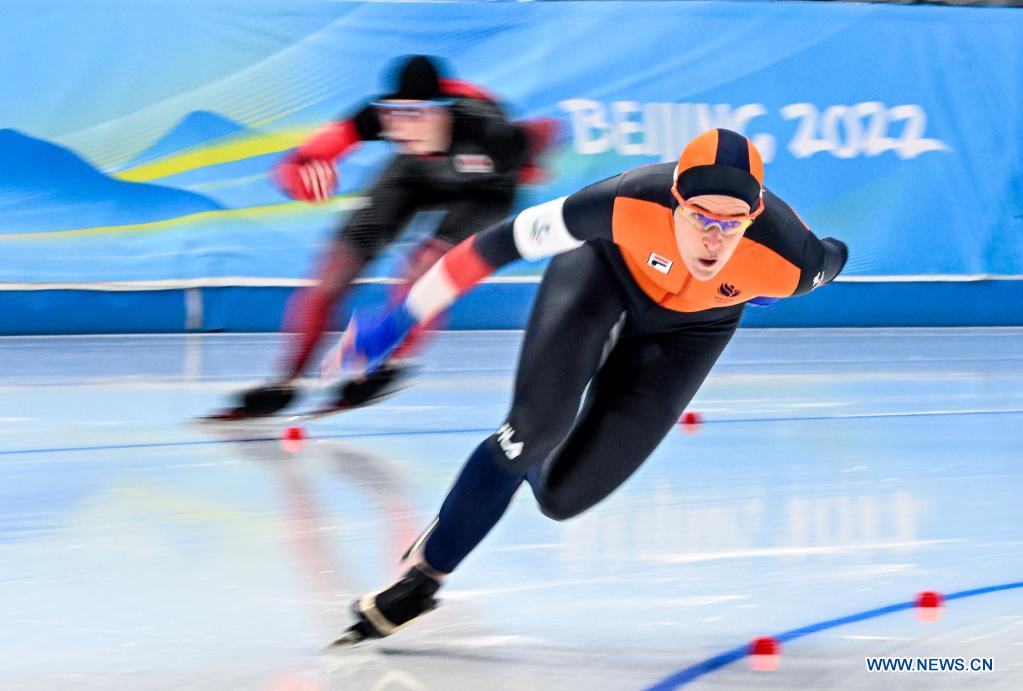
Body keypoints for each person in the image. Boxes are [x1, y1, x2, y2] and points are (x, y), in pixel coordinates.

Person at [329, 128, 849, 646]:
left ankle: (527, 454)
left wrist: (775, 267)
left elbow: (835, 253)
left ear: (754, 219)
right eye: (699, 217)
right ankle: (424, 578)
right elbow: (492, 247)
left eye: (731, 223)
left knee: (562, 497)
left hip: (693, 328)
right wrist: (398, 323)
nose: (713, 238)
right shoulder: (621, 202)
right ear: (674, 202)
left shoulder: (792, 262)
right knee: (533, 429)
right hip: (601, 274)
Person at [212, 55, 558, 419]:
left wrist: (533, 165)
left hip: (484, 192)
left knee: (425, 269)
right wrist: (299, 171)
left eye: (415, 116)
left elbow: (542, 133)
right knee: (334, 272)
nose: (401, 128)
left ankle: (394, 361)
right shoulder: (381, 120)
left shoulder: (488, 130)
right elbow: (307, 155)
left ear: (443, 113)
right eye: (393, 114)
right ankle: (286, 381)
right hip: (414, 176)